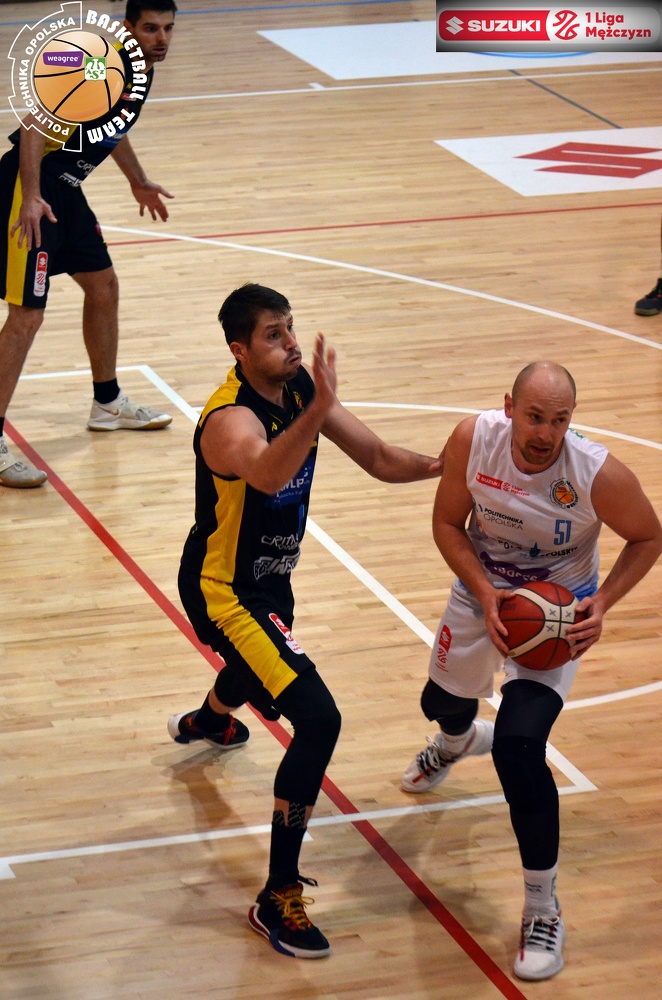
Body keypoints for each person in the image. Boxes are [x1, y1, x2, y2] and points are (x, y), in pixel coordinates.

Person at [168, 282, 444, 959]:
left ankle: (210, 720)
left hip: (270, 581)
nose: (291, 343)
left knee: (256, 667)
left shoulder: (298, 391)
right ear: (239, 350)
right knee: (318, 719)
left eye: (291, 328)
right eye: (273, 334)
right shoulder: (229, 419)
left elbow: (378, 459)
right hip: (224, 591)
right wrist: (317, 410)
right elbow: (265, 473)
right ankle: (277, 896)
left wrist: (447, 467)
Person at [401, 361, 662, 982]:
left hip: (559, 615)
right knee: (440, 703)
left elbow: (649, 537)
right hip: (485, 592)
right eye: (535, 416)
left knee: (519, 749)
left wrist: (602, 603)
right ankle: (457, 739)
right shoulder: (474, 439)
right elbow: (446, 523)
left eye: (559, 420)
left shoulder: (596, 473)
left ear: (572, 420)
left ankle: (543, 908)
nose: (545, 433)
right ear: (509, 407)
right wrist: (484, 593)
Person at [0, 0, 178, 489]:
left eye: (167, 29)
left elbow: (113, 129)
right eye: (150, 28)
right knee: (26, 315)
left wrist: (137, 179)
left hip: (67, 191)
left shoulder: (140, 70)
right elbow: (34, 126)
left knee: (104, 286)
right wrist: (31, 196)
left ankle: (108, 403)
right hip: (30, 189)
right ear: (126, 28)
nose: (161, 39)